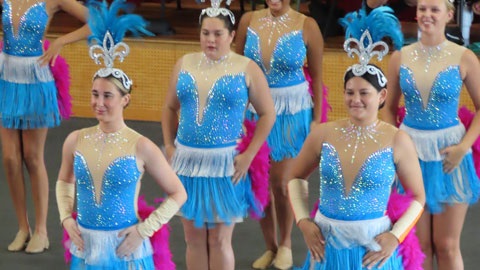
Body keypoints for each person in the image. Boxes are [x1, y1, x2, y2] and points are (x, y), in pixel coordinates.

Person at [286, 8, 425, 267]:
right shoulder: (324, 133)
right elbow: (295, 176)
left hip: (373, 252)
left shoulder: (397, 140)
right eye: (350, 92)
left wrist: (396, 237)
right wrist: (303, 221)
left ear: (382, 96)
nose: (355, 100)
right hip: (327, 250)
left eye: (364, 93)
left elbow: (418, 197)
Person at [56, 1, 187, 268]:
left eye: (108, 96)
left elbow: (178, 193)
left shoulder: (141, 146)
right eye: (95, 94)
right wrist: (66, 219)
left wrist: (144, 230)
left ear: (125, 100)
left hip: (124, 250)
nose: (99, 103)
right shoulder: (75, 139)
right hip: (85, 248)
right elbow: (63, 182)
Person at [161, 0, 276, 269]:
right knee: (193, 238)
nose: (210, 40)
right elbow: (169, 107)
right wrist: (168, 144)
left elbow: (268, 114)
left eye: (217, 34)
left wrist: (249, 155)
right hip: (187, 163)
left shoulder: (246, 67)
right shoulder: (184, 63)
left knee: (219, 241)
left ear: (232, 35)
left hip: (226, 165)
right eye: (205, 33)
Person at [383, 0, 480, 269]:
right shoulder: (400, 57)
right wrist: (395, 148)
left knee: (447, 245)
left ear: (449, 15)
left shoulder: (464, 57)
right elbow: (389, 109)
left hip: (450, 155)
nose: (427, 15)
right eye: (423, 8)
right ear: (416, 13)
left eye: (434, 9)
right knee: (420, 245)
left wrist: (463, 147)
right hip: (410, 156)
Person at [235, 0, 324, 268]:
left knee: (283, 184)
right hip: (255, 112)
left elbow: (318, 78)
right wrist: (237, 114)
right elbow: (237, 70)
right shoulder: (248, 21)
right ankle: (270, 246)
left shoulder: (308, 25)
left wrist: (317, 121)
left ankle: (285, 243)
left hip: (292, 115)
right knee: (259, 183)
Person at [0, 0, 90, 253]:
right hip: (6, 78)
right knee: (9, 158)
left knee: (32, 156)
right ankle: (22, 227)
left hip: (35, 80)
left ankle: (41, 230)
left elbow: (96, 21)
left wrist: (61, 41)